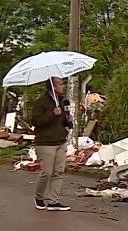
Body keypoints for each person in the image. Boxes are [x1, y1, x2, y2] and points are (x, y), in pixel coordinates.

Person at [31, 77, 71, 211]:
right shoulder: (41, 102)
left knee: (58, 172)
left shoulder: (62, 101)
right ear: (53, 87)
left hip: (60, 140)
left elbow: (64, 123)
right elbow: (36, 122)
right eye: (60, 84)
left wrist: (67, 119)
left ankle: (54, 201)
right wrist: (52, 114)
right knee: (47, 172)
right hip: (45, 142)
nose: (63, 86)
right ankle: (39, 196)